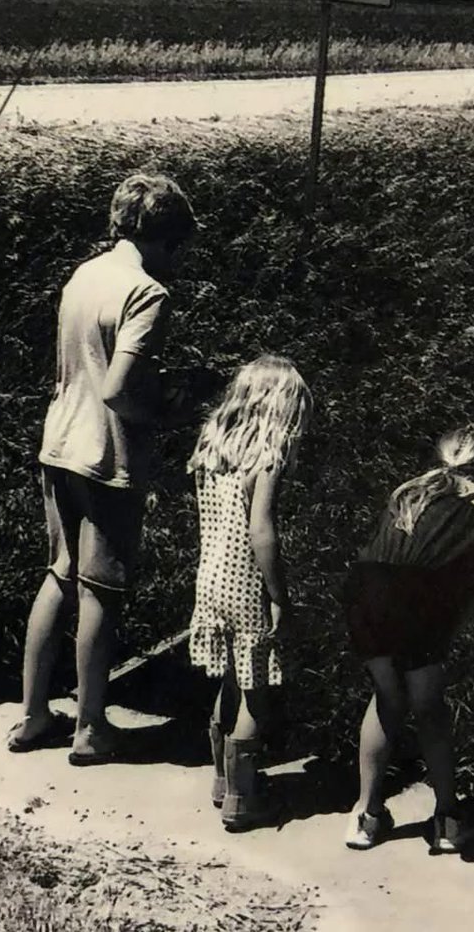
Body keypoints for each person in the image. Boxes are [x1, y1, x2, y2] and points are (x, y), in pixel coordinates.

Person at [7, 173, 197, 763]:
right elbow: (118, 390)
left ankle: (34, 715)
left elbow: (82, 364)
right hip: (106, 452)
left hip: (59, 438)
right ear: (163, 240)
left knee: (59, 572)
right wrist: (164, 412)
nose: (176, 261)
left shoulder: (84, 274)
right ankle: (90, 727)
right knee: (101, 590)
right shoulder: (147, 292)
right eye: (176, 248)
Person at [341, 423, 474, 853]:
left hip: (367, 591)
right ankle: (447, 819)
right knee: (429, 707)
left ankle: (367, 815)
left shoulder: (408, 490)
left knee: (385, 698)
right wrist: (454, 626)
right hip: (423, 600)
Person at [186, 355, 312, 832]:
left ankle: (221, 779)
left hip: (211, 574)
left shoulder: (213, 446)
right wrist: (278, 594)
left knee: (228, 681)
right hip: (247, 582)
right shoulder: (268, 456)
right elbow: (262, 531)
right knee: (257, 691)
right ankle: (243, 799)